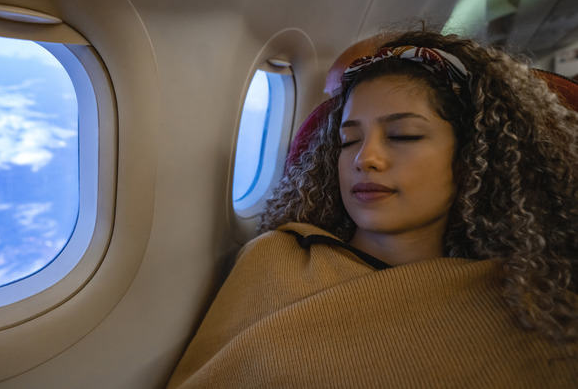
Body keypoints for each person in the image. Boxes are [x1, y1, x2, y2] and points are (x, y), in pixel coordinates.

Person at [167, 29, 578, 388]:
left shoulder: (530, 304)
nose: (366, 158)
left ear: (471, 158)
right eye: (349, 141)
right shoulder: (274, 259)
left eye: (403, 135)